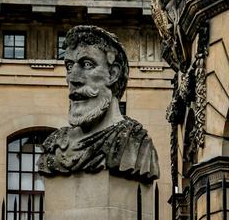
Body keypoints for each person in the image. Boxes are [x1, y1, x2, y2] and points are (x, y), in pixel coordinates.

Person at [38, 25, 159, 182]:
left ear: (113, 74)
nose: (72, 78)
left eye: (87, 64)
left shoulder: (136, 144)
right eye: (69, 66)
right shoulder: (54, 146)